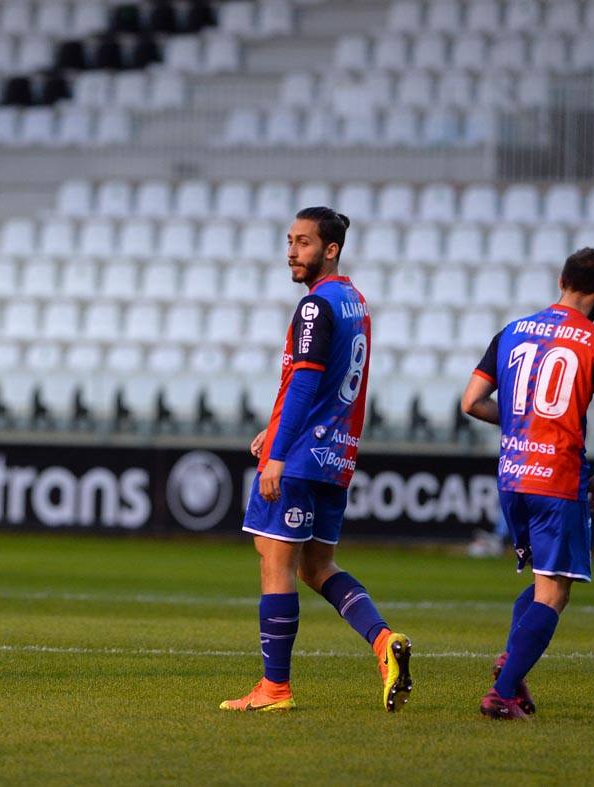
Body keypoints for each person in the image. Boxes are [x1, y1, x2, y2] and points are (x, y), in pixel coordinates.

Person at [220, 207, 412, 713]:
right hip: (337, 453)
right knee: (317, 565)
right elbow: (325, 384)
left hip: (301, 457)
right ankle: (382, 641)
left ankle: (274, 688)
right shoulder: (356, 301)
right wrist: (275, 427)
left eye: (303, 242)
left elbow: (305, 379)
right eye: (289, 241)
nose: (291, 251)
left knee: (275, 563)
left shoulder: (314, 307)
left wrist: (278, 453)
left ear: (330, 250)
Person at [461, 248, 594, 720]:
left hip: (513, 475)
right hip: (558, 477)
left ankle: (511, 662)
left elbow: (471, 402)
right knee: (556, 590)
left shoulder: (512, 331)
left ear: (561, 280)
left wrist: (518, 424)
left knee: (542, 583)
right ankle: (504, 690)